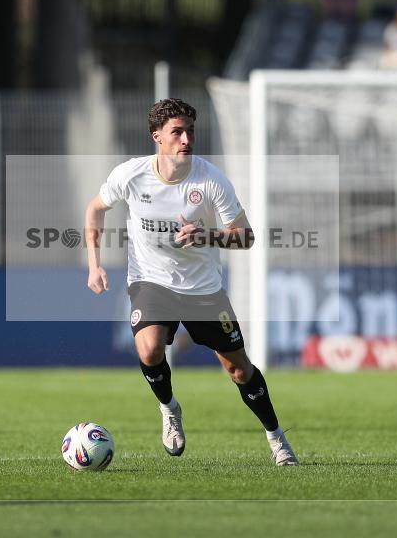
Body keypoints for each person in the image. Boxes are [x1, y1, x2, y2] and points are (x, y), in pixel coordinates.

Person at [84, 98, 298, 466]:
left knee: (238, 369)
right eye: (177, 132)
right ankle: (169, 409)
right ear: (158, 137)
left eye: (190, 131)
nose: (186, 139)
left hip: (202, 289)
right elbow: (95, 208)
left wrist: (207, 236)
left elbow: (246, 237)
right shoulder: (131, 175)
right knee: (149, 350)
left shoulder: (211, 179)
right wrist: (94, 265)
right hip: (151, 281)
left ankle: (277, 439)